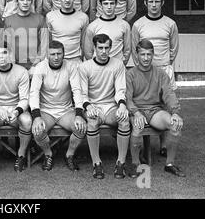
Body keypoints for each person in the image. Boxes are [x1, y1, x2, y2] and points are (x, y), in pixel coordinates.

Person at [131, 0, 180, 156]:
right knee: (146, 102)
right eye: (150, 2)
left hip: (163, 68)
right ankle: (143, 142)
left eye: (157, 1)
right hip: (145, 70)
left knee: (166, 106)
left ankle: (164, 146)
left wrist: (164, 64)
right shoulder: (138, 24)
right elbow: (134, 48)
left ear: (162, 3)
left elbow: (174, 48)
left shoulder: (170, 23)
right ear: (145, 3)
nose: (154, 5)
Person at [126, 39, 185, 177]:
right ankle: (135, 164)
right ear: (137, 55)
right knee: (138, 126)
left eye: (149, 54)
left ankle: (169, 164)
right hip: (137, 111)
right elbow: (127, 98)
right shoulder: (130, 74)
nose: (146, 58)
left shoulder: (160, 74)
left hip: (154, 111)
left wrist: (175, 112)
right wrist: (135, 113)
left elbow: (169, 94)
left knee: (174, 125)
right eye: (143, 54)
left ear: (153, 55)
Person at [79, 33, 130, 179]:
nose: (103, 51)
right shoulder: (85, 67)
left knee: (124, 121)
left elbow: (121, 89)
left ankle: (120, 163)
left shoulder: (118, 65)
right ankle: (97, 163)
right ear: (94, 48)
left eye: (106, 48)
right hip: (93, 105)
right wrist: (89, 107)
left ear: (110, 48)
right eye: (100, 48)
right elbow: (82, 93)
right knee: (92, 122)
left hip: (111, 106)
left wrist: (121, 106)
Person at [30, 41, 86, 171]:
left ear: (64, 54)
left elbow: (77, 90)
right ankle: (48, 154)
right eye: (52, 54)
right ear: (47, 55)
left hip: (65, 111)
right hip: (46, 111)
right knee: (38, 131)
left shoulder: (71, 67)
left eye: (59, 54)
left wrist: (78, 115)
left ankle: (69, 155)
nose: (56, 57)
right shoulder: (40, 67)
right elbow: (34, 93)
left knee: (81, 128)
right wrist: (37, 117)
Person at [0, 43, 32, 176]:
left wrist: (16, 111)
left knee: (27, 120)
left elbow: (25, 99)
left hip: (15, 110)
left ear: (10, 54)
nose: (1, 57)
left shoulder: (21, 72)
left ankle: (21, 156)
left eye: (4, 53)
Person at [3, 0, 48, 74]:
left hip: (35, 67)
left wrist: (35, 65)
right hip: (14, 66)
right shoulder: (8, 20)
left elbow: (44, 44)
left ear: (32, 2)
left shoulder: (40, 19)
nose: (25, 2)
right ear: (16, 2)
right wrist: (13, 66)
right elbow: (7, 46)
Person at [84, 0, 131, 66]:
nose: (109, 7)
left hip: (117, 68)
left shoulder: (124, 25)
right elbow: (88, 52)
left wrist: (120, 65)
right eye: (105, 4)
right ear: (100, 5)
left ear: (116, 4)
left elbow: (127, 50)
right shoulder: (92, 26)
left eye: (111, 3)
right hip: (98, 69)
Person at [46, 0, 89, 66]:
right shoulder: (50, 16)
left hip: (75, 60)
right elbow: (48, 41)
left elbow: (84, 42)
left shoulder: (83, 17)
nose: (67, 0)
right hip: (56, 60)